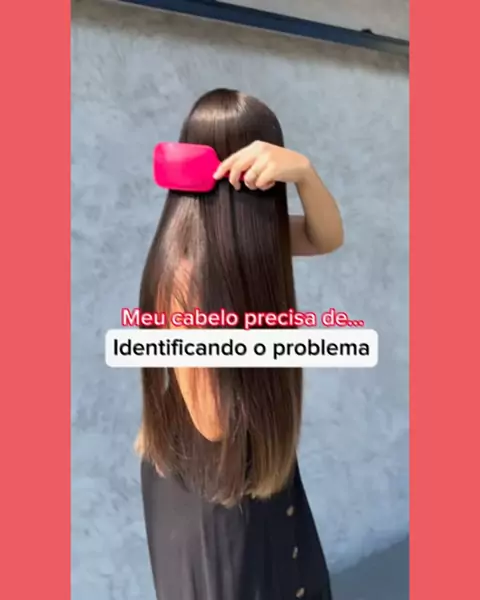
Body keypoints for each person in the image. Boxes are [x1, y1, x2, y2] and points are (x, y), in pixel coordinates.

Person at [137, 88, 343, 600]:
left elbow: (327, 237)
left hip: (248, 471)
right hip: (216, 489)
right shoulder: (185, 277)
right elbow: (214, 421)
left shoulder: (248, 244)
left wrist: (305, 173)